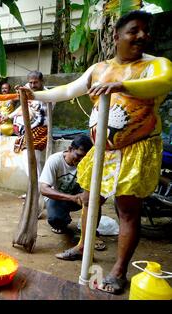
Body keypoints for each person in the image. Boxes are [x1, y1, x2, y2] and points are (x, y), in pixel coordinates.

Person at [18, 10, 172, 295]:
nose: (142, 36)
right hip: (103, 150)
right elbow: (67, 91)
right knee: (90, 199)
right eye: (134, 30)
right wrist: (35, 95)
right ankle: (82, 247)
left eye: (145, 31)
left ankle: (118, 270)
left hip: (135, 149)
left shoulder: (156, 65)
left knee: (127, 210)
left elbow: (164, 83)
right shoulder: (99, 68)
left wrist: (122, 85)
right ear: (116, 37)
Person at [39, 135, 94, 234]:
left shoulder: (88, 163)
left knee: (94, 201)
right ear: (69, 149)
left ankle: (92, 231)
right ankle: (62, 220)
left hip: (78, 199)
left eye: (85, 157)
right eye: (79, 155)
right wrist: (72, 198)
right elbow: (43, 189)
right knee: (56, 220)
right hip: (57, 199)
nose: (81, 160)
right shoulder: (55, 160)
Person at [5, 71, 50, 178]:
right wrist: (9, 116)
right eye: (31, 83)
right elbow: (23, 106)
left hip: (40, 131)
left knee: (32, 162)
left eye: (36, 82)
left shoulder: (48, 94)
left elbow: (42, 113)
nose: (33, 85)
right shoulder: (28, 89)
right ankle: (36, 190)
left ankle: (39, 190)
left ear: (42, 81)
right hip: (27, 131)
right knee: (28, 162)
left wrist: (28, 97)